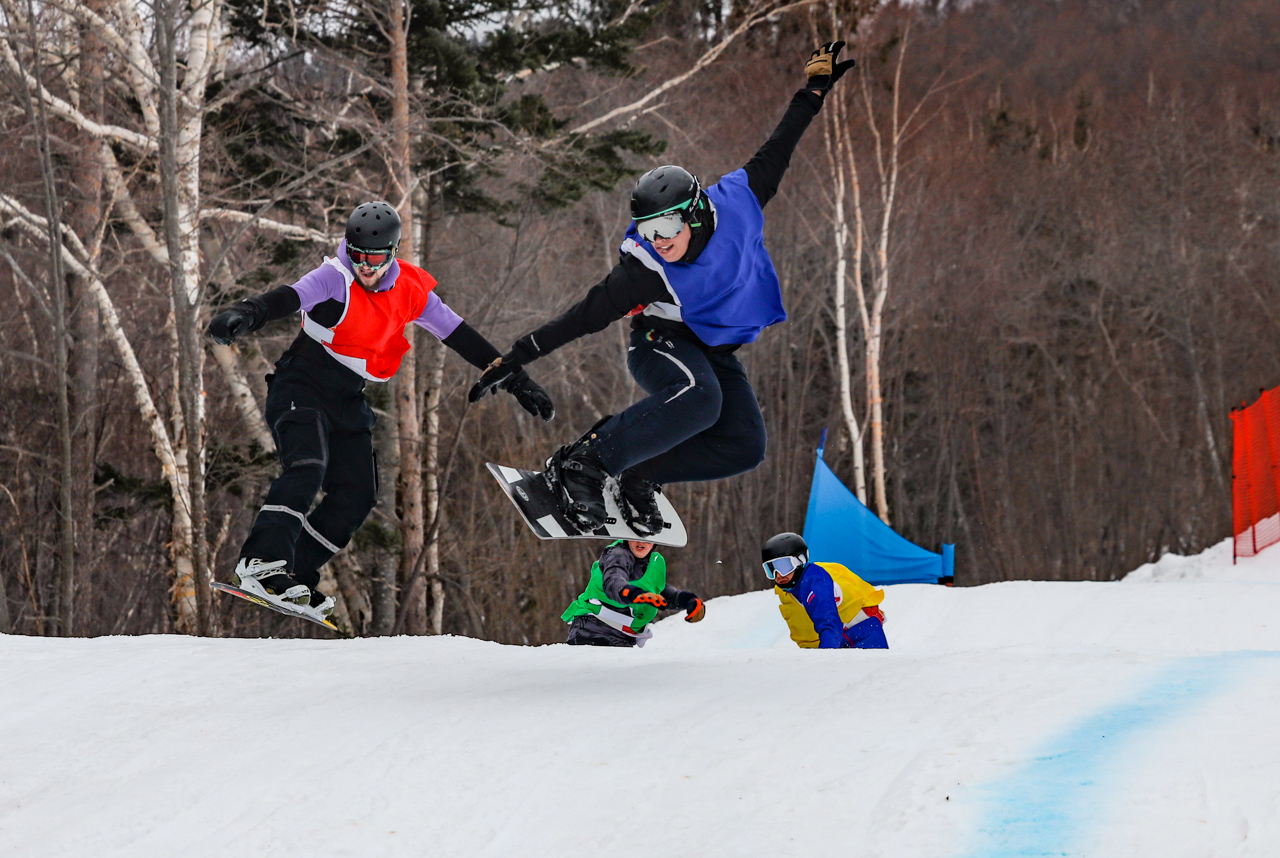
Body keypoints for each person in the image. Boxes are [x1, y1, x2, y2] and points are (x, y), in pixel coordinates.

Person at [468, 42, 857, 536]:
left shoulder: (741, 201)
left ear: (694, 212)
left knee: (744, 444)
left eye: (666, 226)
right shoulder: (647, 269)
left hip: (709, 348)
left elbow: (780, 144)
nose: (658, 240)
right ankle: (585, 463)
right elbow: (585, 315)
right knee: (701, 398)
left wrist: (814, 90)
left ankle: (639, 474)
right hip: (658, 343)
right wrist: (517, 356)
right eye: (647, 230)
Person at [206, 201, 554, 619]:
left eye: (374, 258)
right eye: (358, 255)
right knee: (307, 466)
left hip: (348, 398)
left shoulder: (409, 289)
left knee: (358, 493)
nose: (365, 266)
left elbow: (458, 333)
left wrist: (515, 378)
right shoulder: (336, 278)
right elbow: (290, 297)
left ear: (392, 252)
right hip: (302, 383)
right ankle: (261, 562)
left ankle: (293, 573)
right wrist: (248, 313)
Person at [561, 539, 705, 647]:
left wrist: (688, 601)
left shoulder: (652, 563)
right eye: (636, 535)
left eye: (647, 536)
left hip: (623, 637)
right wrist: (633, 594)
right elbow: (613, 581)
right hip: (594, 629)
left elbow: (662, 595)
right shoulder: (618, 554)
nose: (640, 541)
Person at [762, 532, 888, 649]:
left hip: (861, 630)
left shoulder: (815, 582)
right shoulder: (786, 590)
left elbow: (829, 623)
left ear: (800, 560)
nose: (778, 575)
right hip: (838, 635)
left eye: (784, 566)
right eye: (771, 569)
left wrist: (824, 658)